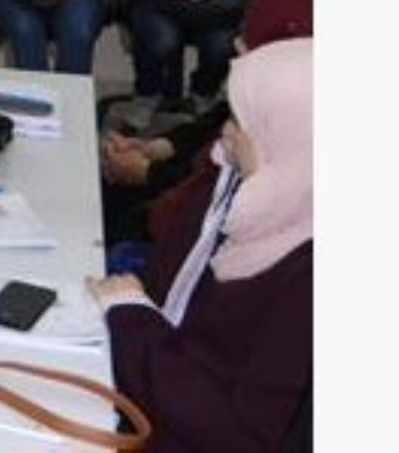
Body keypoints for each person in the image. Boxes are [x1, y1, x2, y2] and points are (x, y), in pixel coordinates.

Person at [87, 37, 312, 452]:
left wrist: (131, 321)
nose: (225, 133)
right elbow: (169, 296)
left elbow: (237, 436)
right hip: (148, 384)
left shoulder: (307, 283)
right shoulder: (253, 198)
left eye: (244, 123)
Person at [101, 0, 311, 246]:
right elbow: (216, 122)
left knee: (120, 212)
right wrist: (160, 147)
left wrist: (149, 173)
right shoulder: (272, 92)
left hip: (208, 225)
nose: (236, 46)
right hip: (188, 190)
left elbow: (212, 194)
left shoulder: (290, 131)